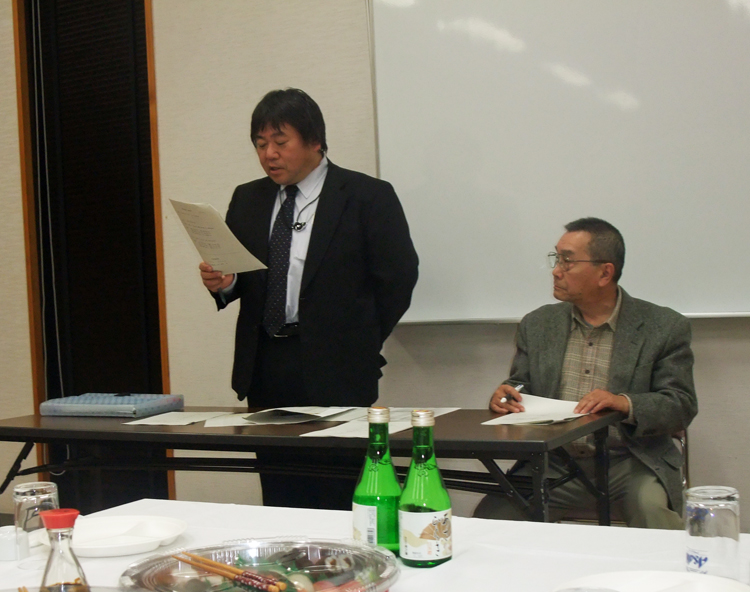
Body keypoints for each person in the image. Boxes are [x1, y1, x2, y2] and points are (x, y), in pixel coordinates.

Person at [199, 88, 419, 509]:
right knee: (280, 492)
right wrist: (223, 283)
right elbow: (240, 279)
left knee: (341, 494)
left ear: (315, 140)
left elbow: (398, 279)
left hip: (338, 370)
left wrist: (358, 338)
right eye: (260, 144)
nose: (269, 155)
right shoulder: (248, 199)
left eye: (280, 142)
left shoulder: (366, 196)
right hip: (265, 367)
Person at [474, 218, 697, 528]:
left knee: (655, 517)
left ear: (605, 272)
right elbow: (521, 384)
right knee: (489, 522)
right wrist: (506, 395)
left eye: (567, 261)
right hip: (553, 464)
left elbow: (681, 405)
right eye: (556, 259)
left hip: (631, 462)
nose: (556, 271)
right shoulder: (538, 324)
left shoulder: (663, 326)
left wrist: (625, 403)